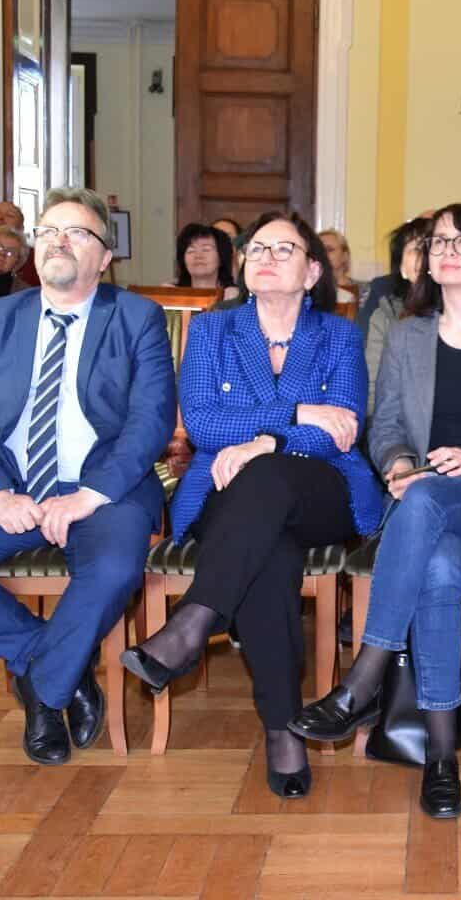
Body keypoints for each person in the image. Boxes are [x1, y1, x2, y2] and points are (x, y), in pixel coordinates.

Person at [293, 202, 461, 819]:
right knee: (437, 570)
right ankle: (441, 758)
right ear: (425, 262)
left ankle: (363, 680)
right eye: (438, 242)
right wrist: (401, 465)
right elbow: (384, 426)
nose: (448, 251)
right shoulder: (406, 335)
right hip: (422, 500)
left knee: (430, 498)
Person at [0, 187, 174, 766]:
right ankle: (61, 669)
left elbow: (150, 422)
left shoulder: (137, 318)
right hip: (9, 482)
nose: (58, 241)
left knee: (112, 569)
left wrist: (89, 496)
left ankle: (44, 693)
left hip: (105, 488)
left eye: (76, 232)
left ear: (105, 257)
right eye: (49, 230)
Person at [120, 212, 379, 798]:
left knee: (267, 475)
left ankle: (196, 618)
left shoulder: (339, 335)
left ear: (312, 272)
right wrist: (296, 414)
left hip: (321, 490)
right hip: (226, 493)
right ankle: (283, 727)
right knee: (271, 556)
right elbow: (204, 424)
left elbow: (342, 430)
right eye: (257, 248)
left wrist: (266, 441)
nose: (265, 257)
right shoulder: (213, 330)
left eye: (283, 249)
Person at [361, 217, 428, 410]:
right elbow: (373, 396)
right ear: (402, 268)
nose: (426, 256)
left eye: (432, 246)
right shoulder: (384, 315)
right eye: (417, 249)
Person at [170, 222, 236, 296]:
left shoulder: (236, 297)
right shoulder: (170, 294)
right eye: (191, 251)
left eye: (206, 250)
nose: (198, 256)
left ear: (221, 257)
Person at [319, 228, 369, 309]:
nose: (323, 254)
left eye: (329, 249)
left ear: (344, 256)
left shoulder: (365, 290)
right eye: (319, 250)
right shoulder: (310, 292)